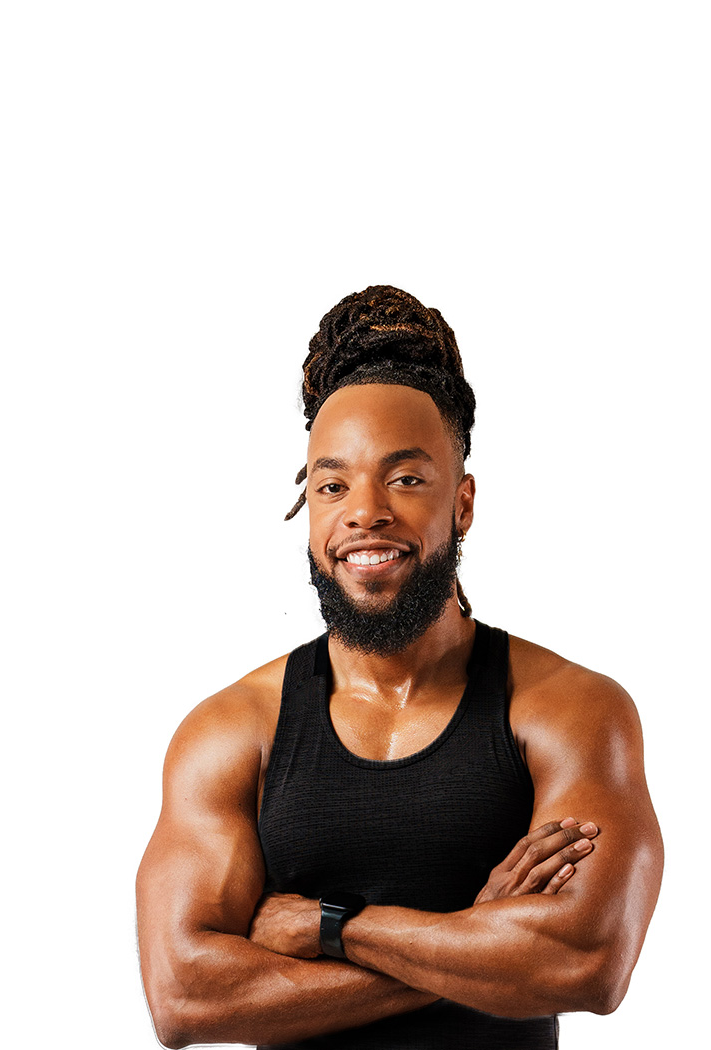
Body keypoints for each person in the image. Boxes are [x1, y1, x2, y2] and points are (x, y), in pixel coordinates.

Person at [136, 286, 663, 1049]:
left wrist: (328, 927)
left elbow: (587, 960)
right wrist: (477, 942)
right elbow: (186, 998)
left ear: (464, 504)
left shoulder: (568, 711)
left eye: (406, 478)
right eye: (332, 484)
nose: (365, 512)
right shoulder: (232, 732)